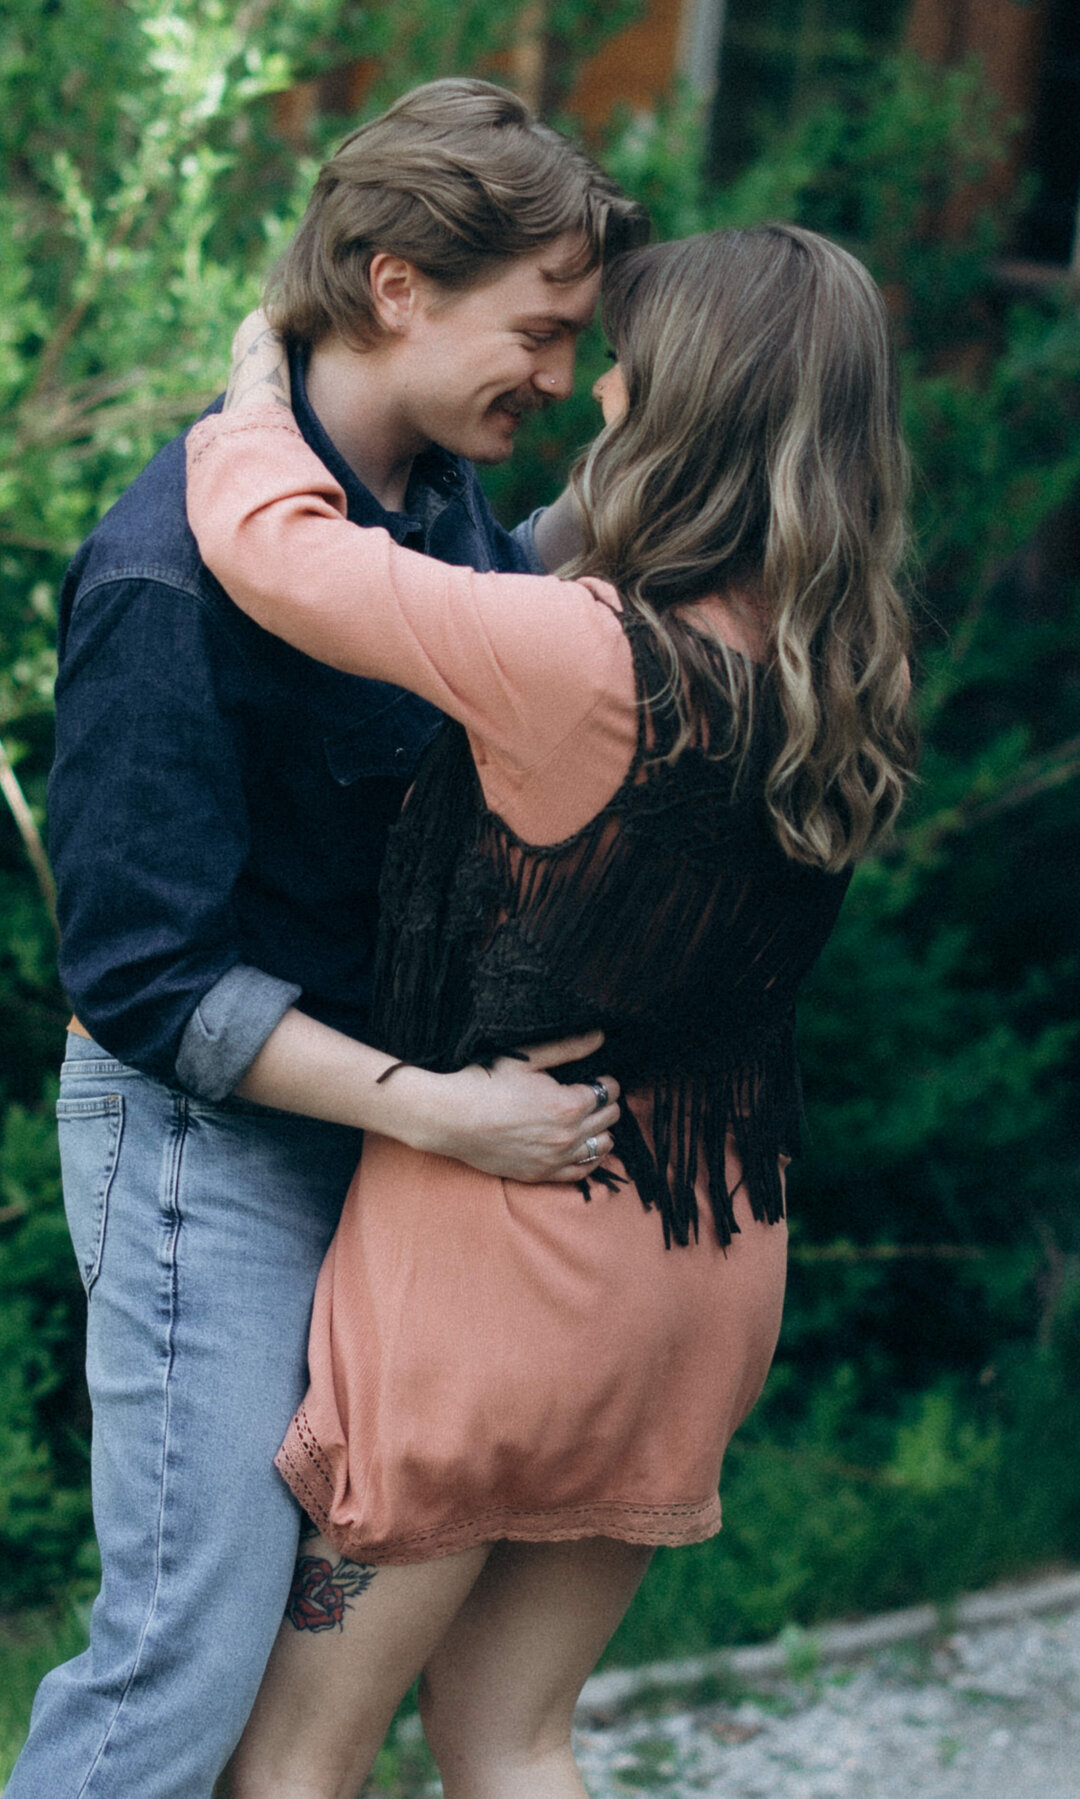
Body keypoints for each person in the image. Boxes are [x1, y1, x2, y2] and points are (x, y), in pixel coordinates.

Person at [185, 222, 918, 1799]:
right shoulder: (832, 666)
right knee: (513, 1739)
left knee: (293, 1760)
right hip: (699, 1270)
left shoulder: (585, 664)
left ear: (683, 409)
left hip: (504, 1268)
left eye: (625, 371)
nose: (592, 396)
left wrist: (260, 391)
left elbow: (276, 552)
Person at [4, 80, 645, 1799]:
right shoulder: (166, 572)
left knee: (314, 1642)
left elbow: (532, 633)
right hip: (207, 1147)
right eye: (541, 330)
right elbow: (140, 975)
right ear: (393, 285)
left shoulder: (434, 510)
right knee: (186, 1653)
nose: (562, 379)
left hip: (372, 1145)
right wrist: (441, 1112)